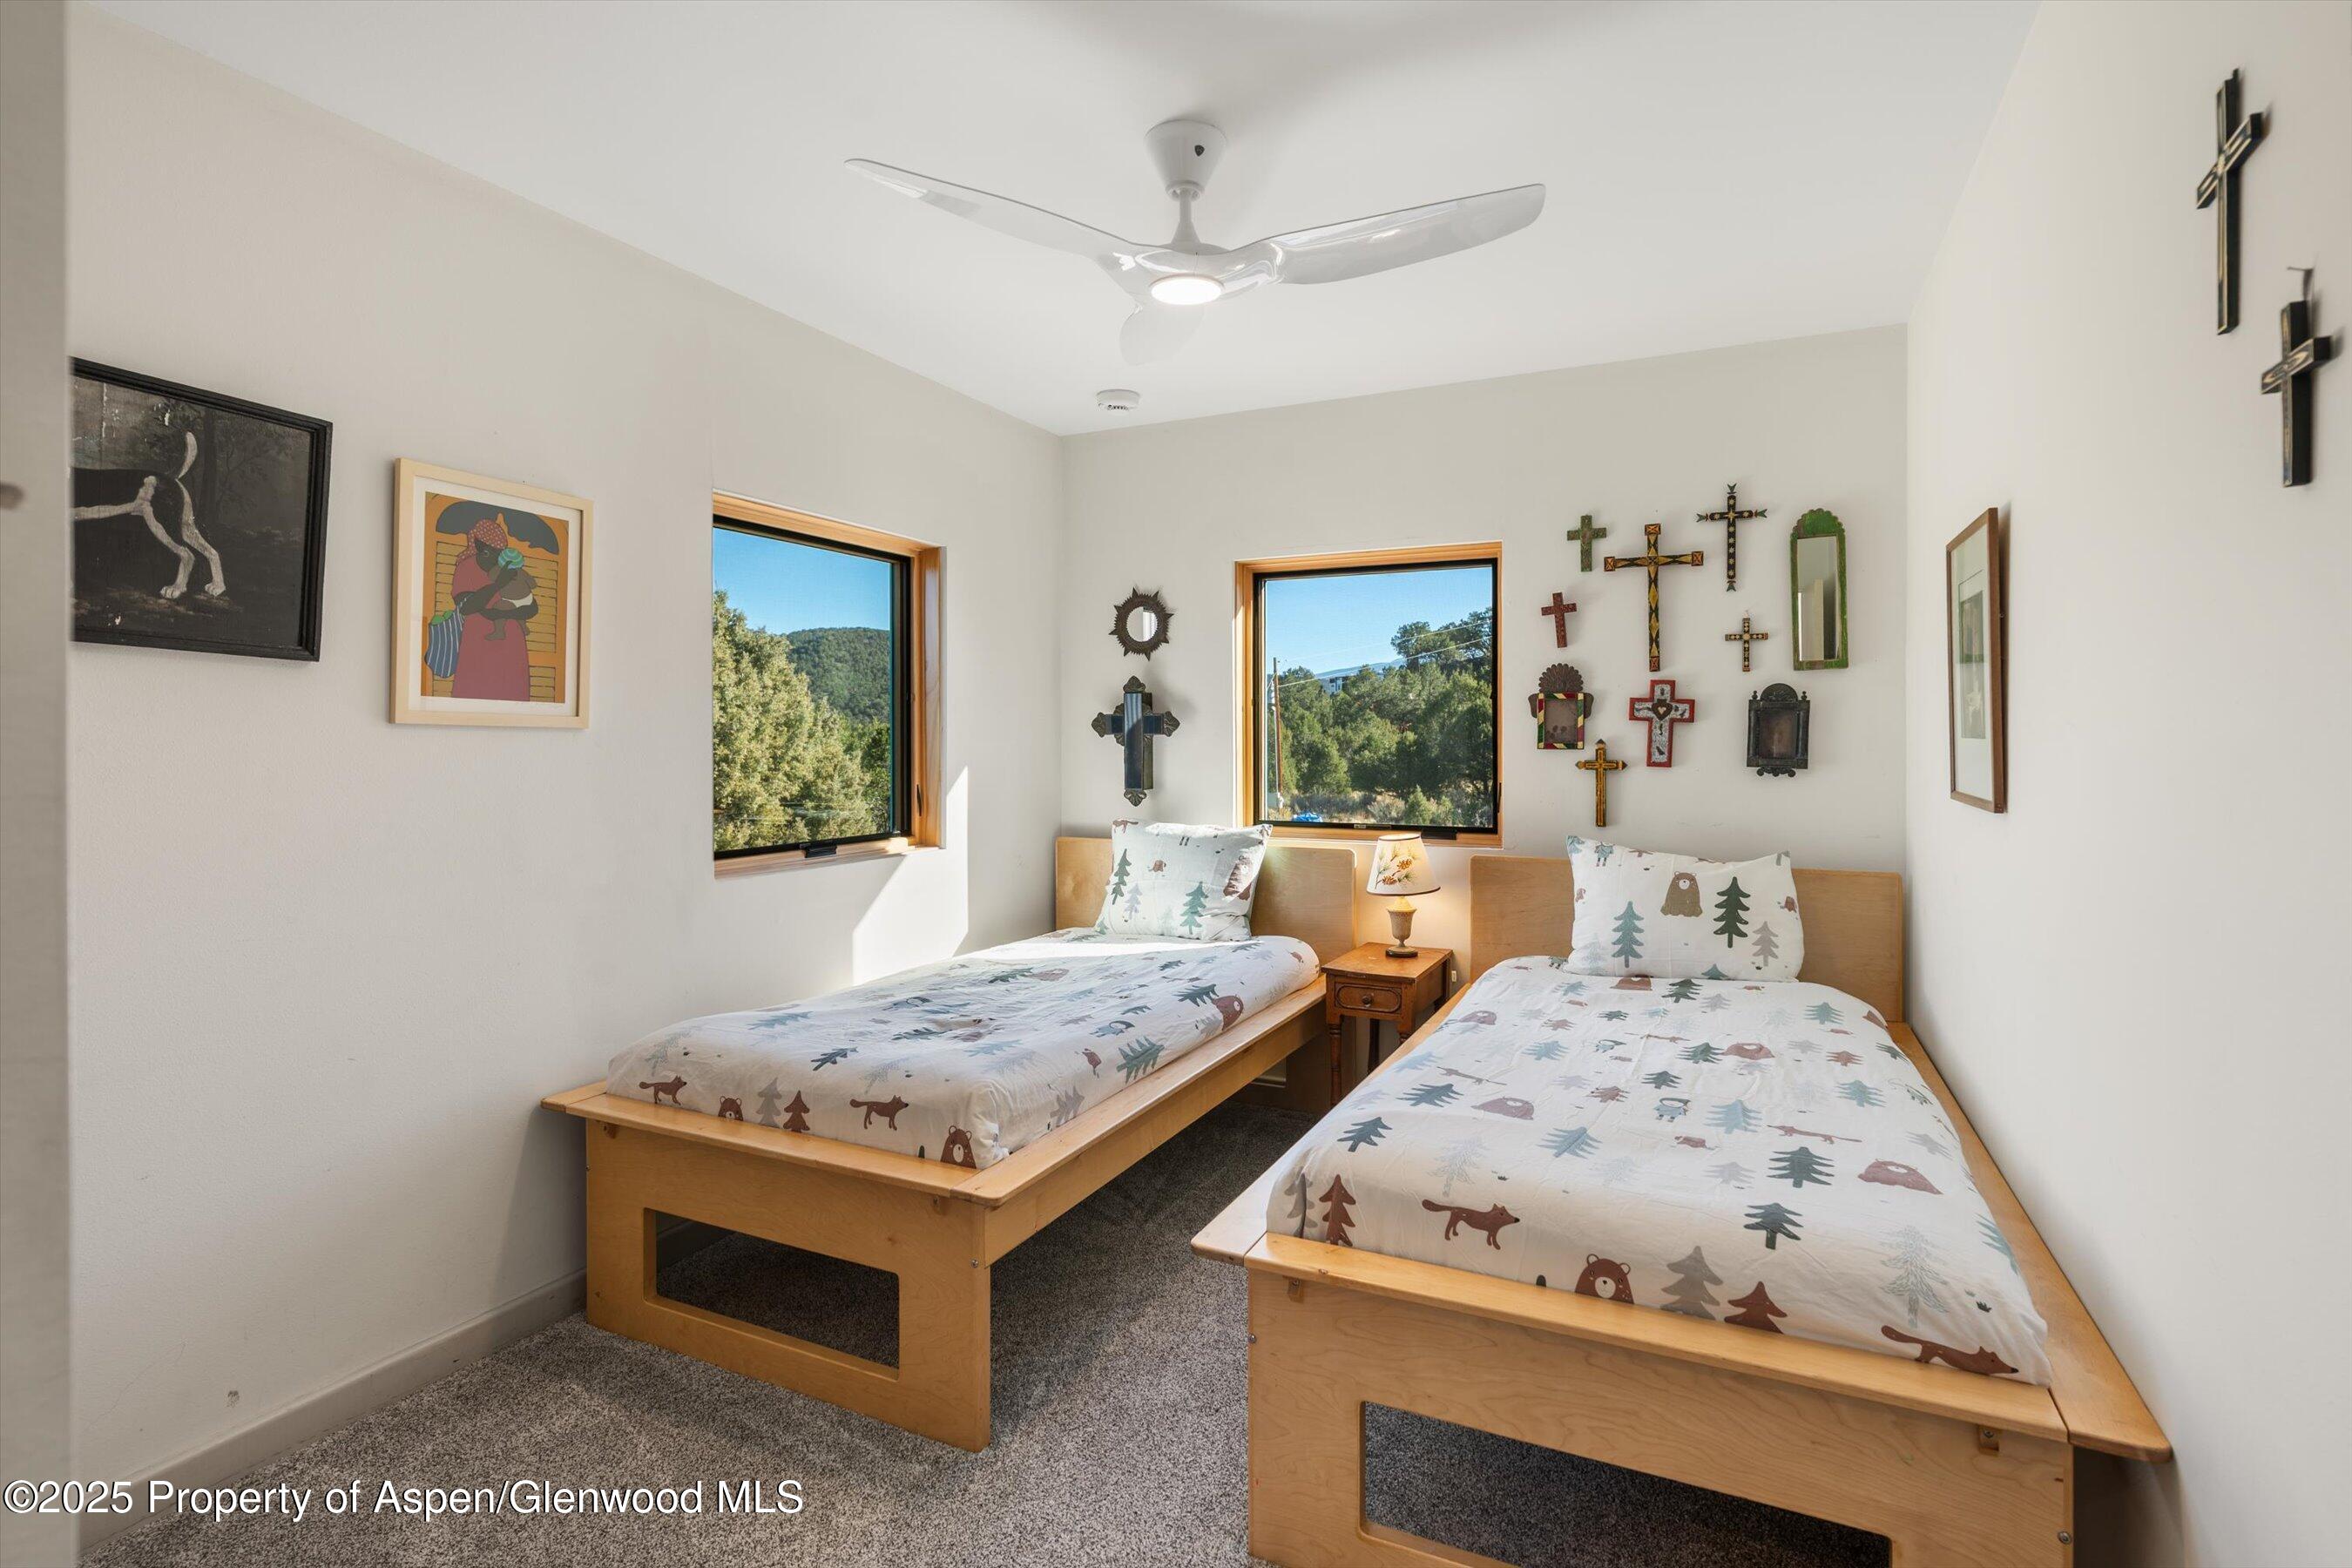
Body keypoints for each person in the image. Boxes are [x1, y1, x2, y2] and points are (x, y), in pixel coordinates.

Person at [447, 514, 538, 700]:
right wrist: (497, 585)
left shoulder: (510, 568)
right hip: (477, 643)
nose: (497, 556)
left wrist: (506, 613)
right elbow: (466, 606)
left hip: (512, 644)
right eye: (491, 551)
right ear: (479, 547)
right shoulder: (467, 568)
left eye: (500, 551)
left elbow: (531, 607)